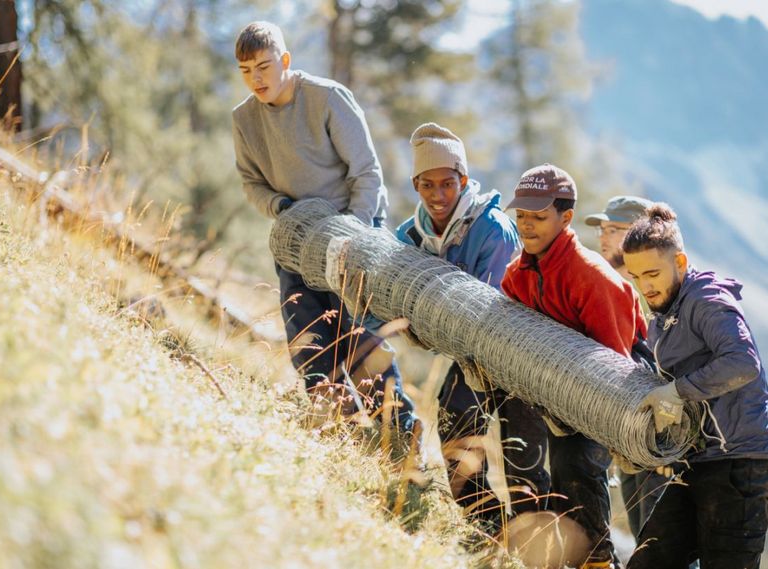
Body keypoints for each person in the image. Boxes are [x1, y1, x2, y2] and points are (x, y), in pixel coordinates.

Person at [230, 21, 417, 436]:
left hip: (354, 227)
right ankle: (341, 429)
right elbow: (251, 183)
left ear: (285, 60)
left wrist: (354, 235)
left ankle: (399, 432)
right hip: (296, 235)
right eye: (246, 71)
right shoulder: (244, 119)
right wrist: (280, 206)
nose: (256, 79)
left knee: (356, 333)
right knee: (307, 333)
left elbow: (367, 173)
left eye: (264, 66)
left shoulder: (327, 98)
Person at [393, 123, 548, 524]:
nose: (438, 195)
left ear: (463, 180)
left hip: (519, 354)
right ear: (416, 185)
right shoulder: (414, 234)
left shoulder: (491, 229)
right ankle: (488, 529)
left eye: (448, 183)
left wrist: (427, 324)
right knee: (455, 432)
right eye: (427, 185)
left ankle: (542, 547)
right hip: (469, 357)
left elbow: (489, 309)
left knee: (522, 461)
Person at [501, 164, 648, 569]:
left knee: (576, 469)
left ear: (566, 218)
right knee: (531, 465)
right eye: (522, 217)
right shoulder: (520, 273)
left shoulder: (592, 277)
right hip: (551, 390)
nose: (527, 227)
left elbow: (616, 362)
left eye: (538, 217)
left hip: (612, 388)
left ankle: (598, 561)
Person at [623, 203, 768, 569]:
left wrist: (678, 392)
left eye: (652, 273)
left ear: (679, 263)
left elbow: (743, 363)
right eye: (635, 276)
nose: (644, 286)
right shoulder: (664, 314)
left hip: (741, 471)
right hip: (696, 466)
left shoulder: (707, 300)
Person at [585, 196, 666, 539]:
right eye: (602, 229)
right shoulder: (605, 286)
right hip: (624, 434)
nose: (603, 237)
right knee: (644, 541)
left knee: (665, 546)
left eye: (614, 229)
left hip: (659, 438)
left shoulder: (655, 291)